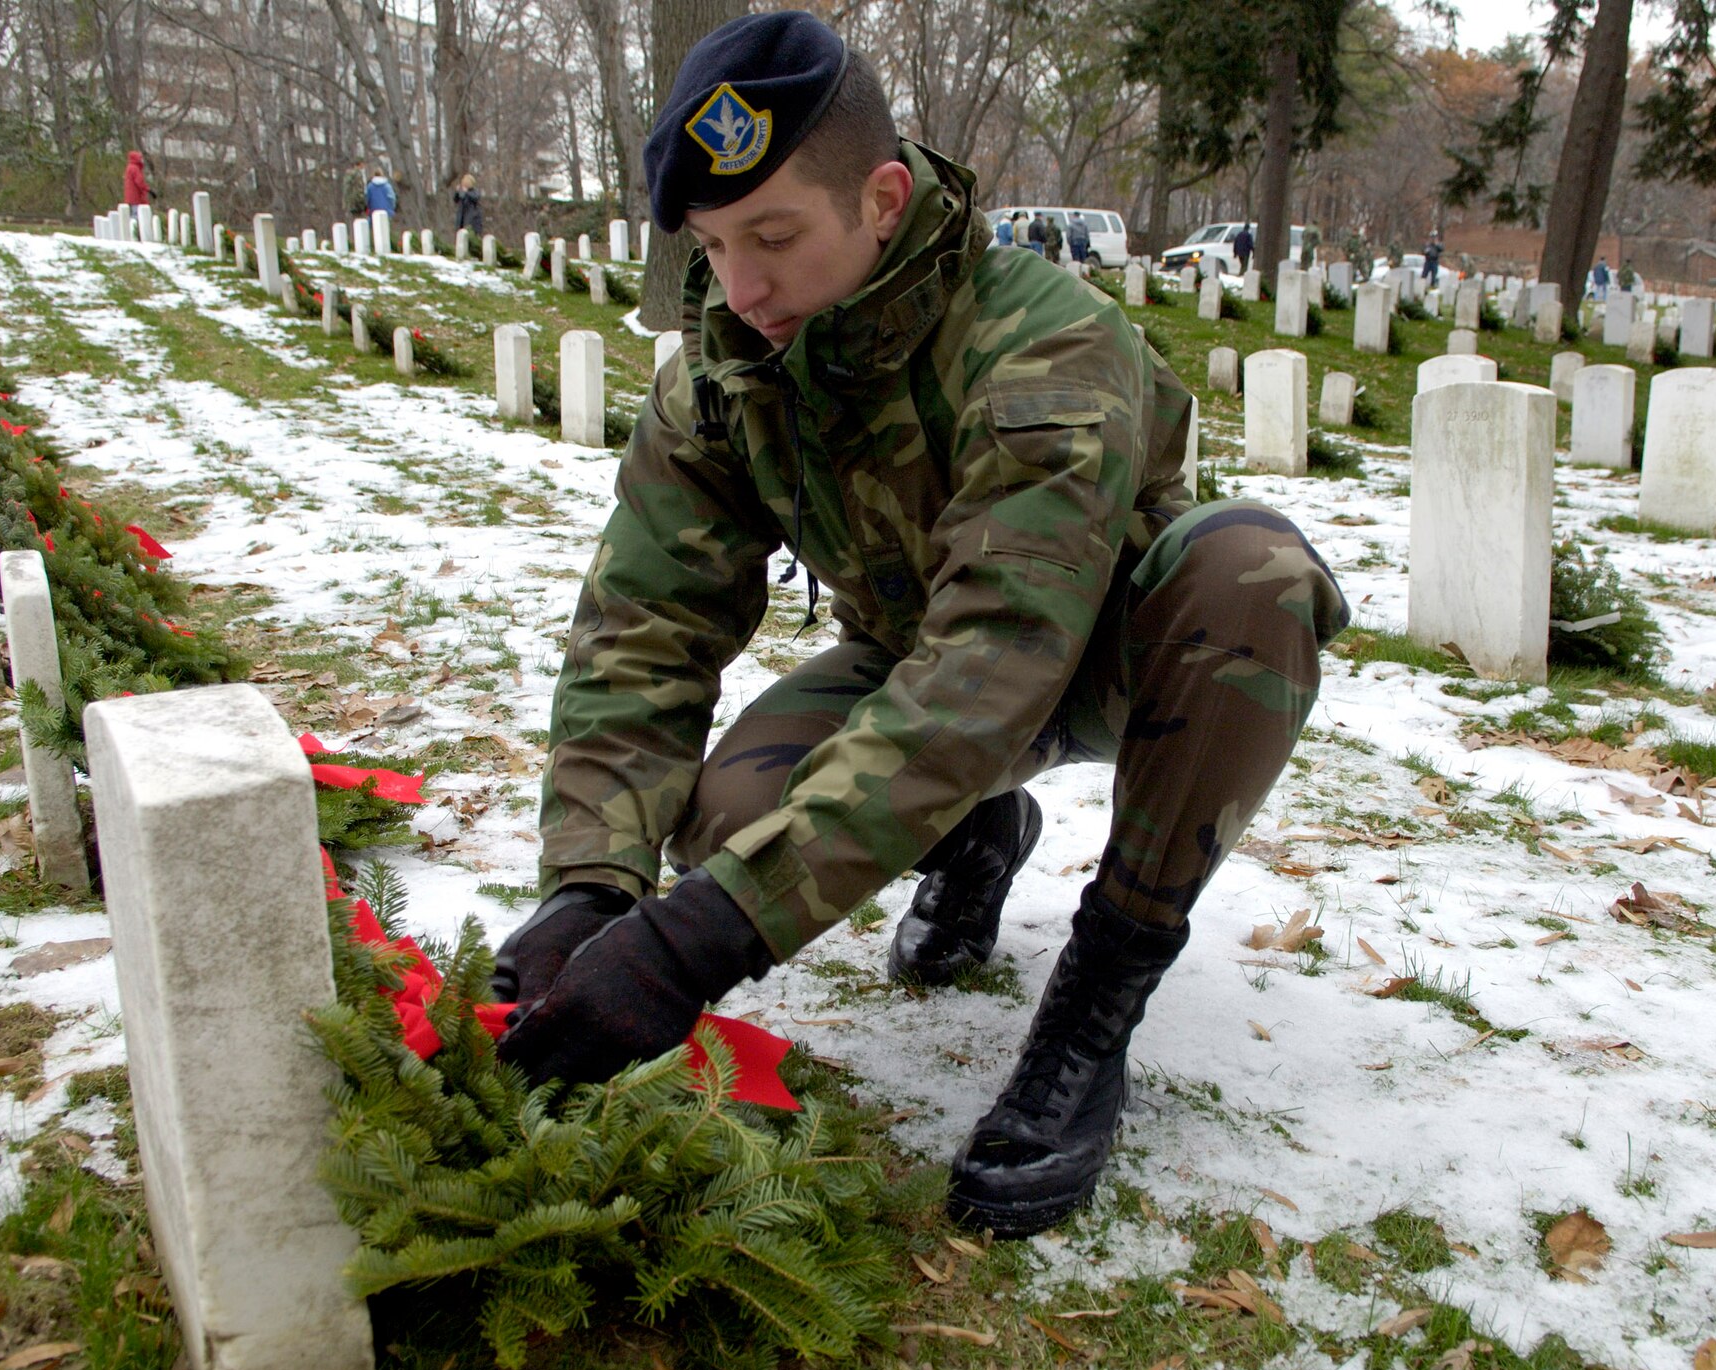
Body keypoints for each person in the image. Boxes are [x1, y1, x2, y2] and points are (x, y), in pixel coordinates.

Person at [492, 10, 1347, 1239]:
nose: (740, 287)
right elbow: (644, 622)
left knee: (1248, 573)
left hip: (1111, 657)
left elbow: (998, 652)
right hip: (916, 664)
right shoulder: (727, 374)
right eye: (712, 245)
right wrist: (591, 880)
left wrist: (711, 935)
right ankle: (975, 832)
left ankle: (1098, 1000)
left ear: (882, 198)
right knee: (730, 820)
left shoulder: (1042, 340)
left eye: (775, 236)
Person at [453, 172, 484, 237]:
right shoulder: (462, 192)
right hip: (462, 218)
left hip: (472, 219)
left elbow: (475, 198)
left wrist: (466, 192)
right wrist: (457, 192)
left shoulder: (474, 191)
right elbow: (456, 200)